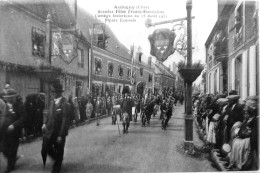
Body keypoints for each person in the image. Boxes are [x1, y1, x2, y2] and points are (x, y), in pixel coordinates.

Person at [41, 82, 70, 173]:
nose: (52, 93)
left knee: (59, 149)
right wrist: (45, 123)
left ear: (59, 92)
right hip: (50, 131)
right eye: (52, 91)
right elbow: (49, 115)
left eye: (54, 91)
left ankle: (57, 167)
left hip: (59, 132)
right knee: (45, 149)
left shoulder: (65, 104)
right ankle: (58, 159)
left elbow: (65, 121)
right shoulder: (52, 102)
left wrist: (61, 135)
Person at [1, 88, 25, 172]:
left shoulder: (20, 105)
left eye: (11, 97)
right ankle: (13, 159)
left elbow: (23, 118)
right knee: (3, 149)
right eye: (8, 97)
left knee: (12, 150)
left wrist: (14, 125)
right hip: (4, 131)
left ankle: (10, 167)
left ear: (15, 97)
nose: (10, 99)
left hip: (14, 132)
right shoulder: (6, 105)